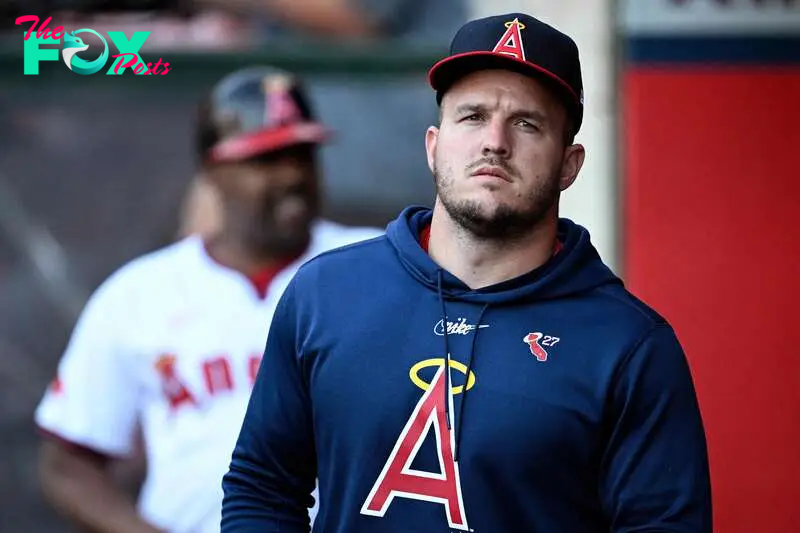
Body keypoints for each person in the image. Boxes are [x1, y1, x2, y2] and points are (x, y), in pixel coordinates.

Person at [221, 12, 713, 533]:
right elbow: (262, 488)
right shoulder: (325, 294)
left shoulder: (629, 346)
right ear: (434, 145)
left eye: (527, 123)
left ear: (569, 164)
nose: (495, 141)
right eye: (472, 116)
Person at [33, 65, 383, 533]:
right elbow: (69, 462)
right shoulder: (139, 293)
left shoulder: (379, 262)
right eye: (266, 160)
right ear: (213, 172)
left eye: (302, 155)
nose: (292, 176)